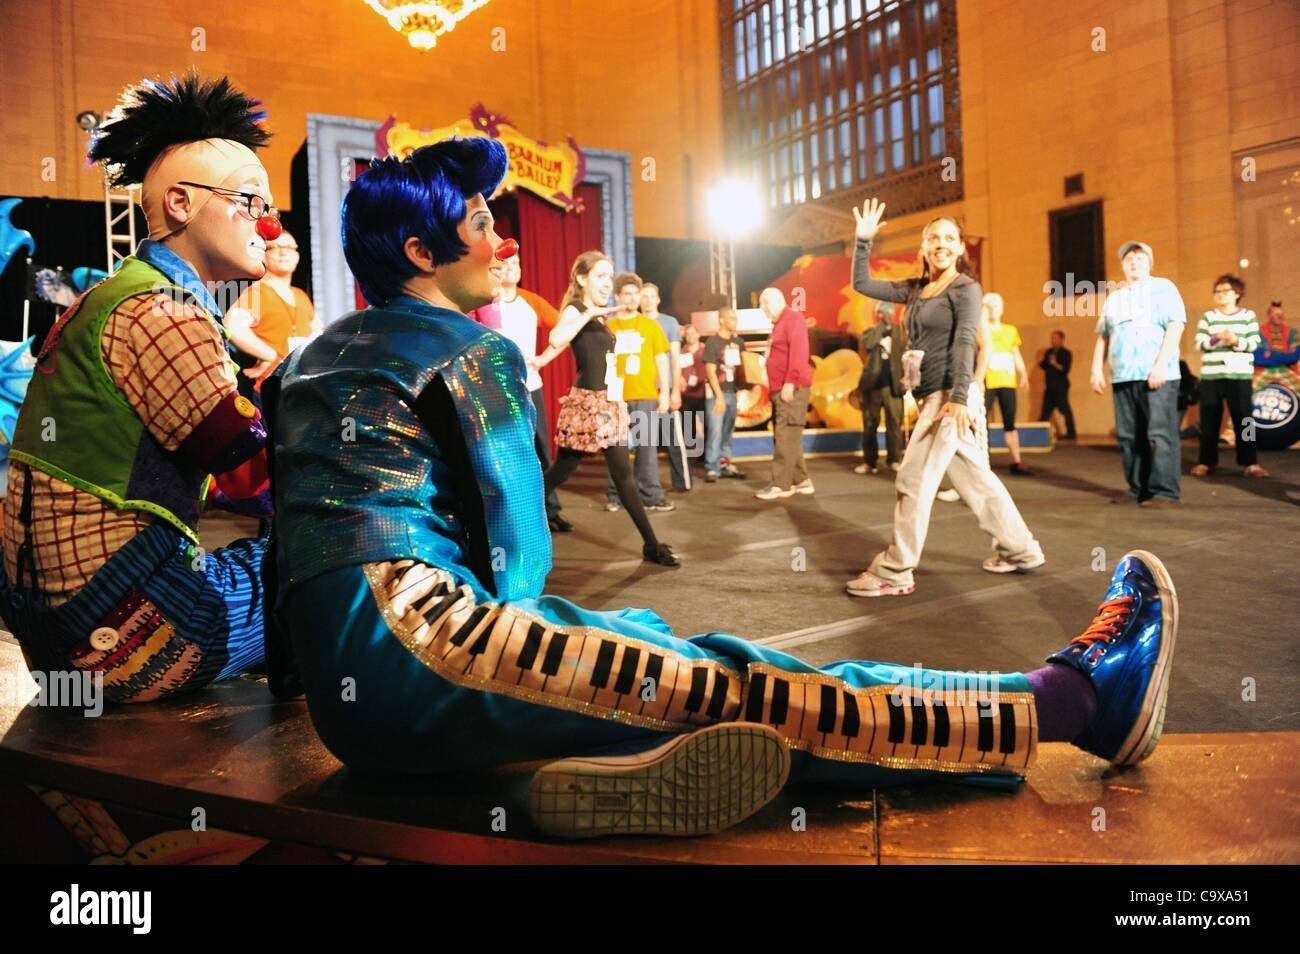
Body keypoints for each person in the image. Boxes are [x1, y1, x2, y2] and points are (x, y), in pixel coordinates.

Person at [263, 137, 1181, 839]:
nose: (499, 238)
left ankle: (543, 775)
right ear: (423, 250)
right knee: (752, 685)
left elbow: (287, 552)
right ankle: (1075, 702)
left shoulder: (309, 357)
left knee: (641, 651)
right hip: (433, 652)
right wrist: (551, 651)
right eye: (477, 224)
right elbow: (519, 561)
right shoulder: (474, 349)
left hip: (357, 711)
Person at [0, 73, 273, 702]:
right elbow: (251, 473)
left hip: (55, 643)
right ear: (180, 203)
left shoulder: (110, 296)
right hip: (120, 637)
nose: (269, 225)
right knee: (337, 565)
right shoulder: (165, 310)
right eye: (251, 202)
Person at [844, 198, 1044, 597]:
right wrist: (863, 240)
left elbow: (967, 340)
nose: (941, 243)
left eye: (950, 238)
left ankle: (895, 571)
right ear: (923, 247)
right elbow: (862, 285)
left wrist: (959, 397)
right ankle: (1021, 549)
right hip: (931, 395)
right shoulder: (917, 289)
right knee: (977, 480)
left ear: (960, 248)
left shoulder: (965, 288)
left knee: (914, 478)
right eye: (934, 237)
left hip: (948, 398)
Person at [532, 254, 679, 565]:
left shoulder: (597, 316)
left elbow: (560, 347)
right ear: (582, 279)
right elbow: (559, 335)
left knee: (623, 475)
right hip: (587, 404)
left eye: (609, 277)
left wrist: (543, 360)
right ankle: (513, 512)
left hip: (608, 402)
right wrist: (590, 314)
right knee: (562, 470)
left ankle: (651, 544)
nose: (606, 283)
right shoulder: (578, 309)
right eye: (600, 276)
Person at [468, 252, 570, 531]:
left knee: (541, 448)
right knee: (504, 450)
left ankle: (551, 510)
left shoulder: (531, 301)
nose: (510, 268)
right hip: (495, 390)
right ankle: (513, 514)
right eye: (504, 264)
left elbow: (566, 328)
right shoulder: (483, 302)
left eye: (515, 264)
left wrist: (544, 359)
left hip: (530, 386)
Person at [1090, 241, 1185, 509]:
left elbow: (1176, 326)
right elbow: (1103, 336)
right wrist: (1096, 368)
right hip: (1122, 376)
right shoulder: (1115, 297)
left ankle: (1165, 491)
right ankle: (1138, 488)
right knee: (1129, 436)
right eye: (1129, 258)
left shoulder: (1163, 288)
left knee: (1159, 433)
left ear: (1150, 262)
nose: (1134, 262)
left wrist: (1160, 365)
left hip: (1157, 374)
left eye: (1140, 257)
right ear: (1122, 264)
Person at [1191, 274, 1267, 478]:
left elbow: (1253, 344)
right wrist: (1217, 338)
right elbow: (1199, 343)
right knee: (1209, 421)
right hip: (1212, 376)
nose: (1221, 295)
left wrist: (1235, 341)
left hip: (1239, 375)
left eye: (1226, 291)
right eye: (1217, 291)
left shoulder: (1248, 315)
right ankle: (1206, 462)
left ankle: (1250, 462)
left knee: (1245, 420)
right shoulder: (1208, 317)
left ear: (1237, 293)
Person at [225, 228, 319, 391]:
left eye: (290, 248)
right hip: (274, 387)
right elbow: (232, 325)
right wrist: (270, 355)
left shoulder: (300, 295)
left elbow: (318, 333)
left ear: (297, 256)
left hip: (302, 385)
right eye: (275, 248)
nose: (284, 253)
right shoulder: (256, 292)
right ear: (264, 256)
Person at [754, 288, 814, 500]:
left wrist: (790, 382)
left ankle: (781, 485)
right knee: (790, 436)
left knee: (784, 435)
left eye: (765, 303)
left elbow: (799, 352)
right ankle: (802, 480)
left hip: (791, 388)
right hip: (781, 387)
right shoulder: (780, 324)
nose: (762, 308)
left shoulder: (793, 318)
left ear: (779, 300)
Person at [641, 282, 690, 493]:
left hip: (665, 390)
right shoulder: (636, 323)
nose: (648, 300)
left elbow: (675, 359)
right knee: (644, 441)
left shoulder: (669, 323)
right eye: (645, 296)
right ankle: (644, 486)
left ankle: (682, 482)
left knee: (674, 440)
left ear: (658, 299)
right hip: (643, 391)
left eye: (652, 296)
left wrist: (675, 390)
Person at [982, 293, 1033, 475]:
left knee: (1010, 421)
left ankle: (1017, 461)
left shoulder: (1010, 330)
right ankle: (982, 462)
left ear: (1002, 309)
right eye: (990, 306)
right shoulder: (980, 330)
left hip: (1007, 381)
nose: (994, 309)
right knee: (982, 421)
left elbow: (1015, 354)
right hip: (986, 381)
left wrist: (1024, 374)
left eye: (996, 306)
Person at [854, 301, 903, 475]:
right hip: (872, 385)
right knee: (869, 424)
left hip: (893, 386)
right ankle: (869, 462)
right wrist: (881, 326)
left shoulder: (900, 333)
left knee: (894, 424)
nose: (884, 316)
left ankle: (894, 459)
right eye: (881, 313)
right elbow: (868, 344)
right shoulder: (871, 332)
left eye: (887, 313)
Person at [703, 306, 747, 481]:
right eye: (731, 318)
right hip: (716, 395)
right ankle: (712, 468)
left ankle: (725, 463)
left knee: (728, 431)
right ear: (722, 320)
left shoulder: (739, 343)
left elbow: (744, 370)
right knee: (715, 431)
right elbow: (710, 371)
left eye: (735, 318)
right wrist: (719, 396)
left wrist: (743, 391)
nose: (735, 321)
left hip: (732, 392)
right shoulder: (712, 342)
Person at [1039, 329, 1077, 440]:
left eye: (1055, 338)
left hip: (1061, 387)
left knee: (1065, 409)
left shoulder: (1066, 353)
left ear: (1061, 339)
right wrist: (1043, 362)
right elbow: (1044, 366)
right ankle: (1040, 434)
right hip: (1049, 386)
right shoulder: (1048, 352)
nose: (1053, 340)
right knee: (1045, 411)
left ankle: (1071, 433)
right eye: (1052, 338)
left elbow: (1065, 369)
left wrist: (1055, 363)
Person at [1254, 300, 1300, 390]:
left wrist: (1270, 354)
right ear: (1269, 315)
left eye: (1281, 314)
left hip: (1287, 370)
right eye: (1275, 314)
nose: (1279, 316)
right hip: (1263, 370)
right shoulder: (1258, 332)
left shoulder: (1293, 333)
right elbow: (1259, 358)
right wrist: (1285, 356)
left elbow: (1294, 357)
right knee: (1250, 393)